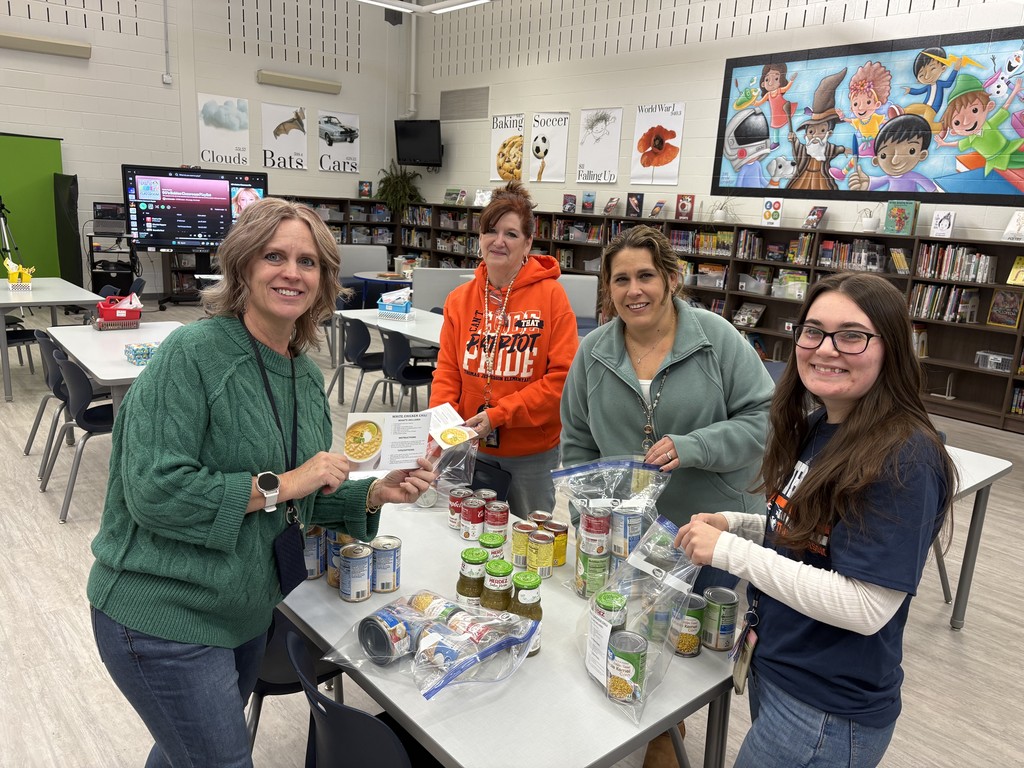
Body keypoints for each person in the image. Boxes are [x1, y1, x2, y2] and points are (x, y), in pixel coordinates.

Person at [88, 197, 436, 768]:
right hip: (162, 615)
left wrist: (372, 493)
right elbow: (154, 492)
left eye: (308, 262)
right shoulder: (192, 354)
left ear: (325, 280)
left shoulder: (302, 372)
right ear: (244, 266)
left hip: (245, 610)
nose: (291, 272)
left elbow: (300, 502)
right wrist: (288, 482)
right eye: (275, 256)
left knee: (186, 752)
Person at [676, 272, 957, 768]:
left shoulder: (904, 457)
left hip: (825, 708)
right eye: (813, 331)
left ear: (890, 347)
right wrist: (736, 523)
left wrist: (731, 554)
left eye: (852, 335)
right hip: (783, 666)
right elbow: (811, 533)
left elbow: (867, 606)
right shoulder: (822, 424)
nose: (826, 348)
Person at [560, 224, 772, 768]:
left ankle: (667, 737)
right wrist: (590, 513)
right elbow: (578, 442)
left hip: (709, 528)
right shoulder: (593, 353)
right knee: (633, 632)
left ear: (671, 279)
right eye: (621, 279)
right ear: (607, 289)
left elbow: (767, 421)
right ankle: (644, 727)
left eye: (647, 276)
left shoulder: (716, 337)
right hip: (630, 534)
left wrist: (697, 445)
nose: (635, 290)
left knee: (691, 647)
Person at [430, 180, 579, 519]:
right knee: (465, 534)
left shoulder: (552, 298)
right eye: (490, 231)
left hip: (530, 454)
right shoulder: (459, 300)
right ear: (479, 237)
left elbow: (562, 380)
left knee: (528, 540)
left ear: (528, 243)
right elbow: (448, 371)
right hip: (467, 448)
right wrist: (442, 424)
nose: (498, 241)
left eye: (511, 234)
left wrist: (498, 415)